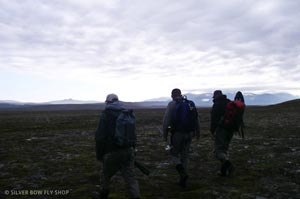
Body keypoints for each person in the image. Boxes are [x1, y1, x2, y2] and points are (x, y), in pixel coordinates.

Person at [95, 94, 140, 199]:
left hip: (112, 151)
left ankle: (103, 194)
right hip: (128, 149)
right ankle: (136, 196)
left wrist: (99, 154)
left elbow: (100, 137)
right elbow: (133, 133)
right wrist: (133, 148)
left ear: (108, 102)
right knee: (130, 177)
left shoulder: (106, 114)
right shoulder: (126, 113)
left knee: (105, 175)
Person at [162, 88, 200, 188]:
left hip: (178, 133)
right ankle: (183, 180)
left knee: (173, 154)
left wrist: (165, 135)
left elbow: (166, 121)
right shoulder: (189, 103)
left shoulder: (172, 104)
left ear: (172, 95)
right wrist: (197, 132)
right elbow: (196, 118)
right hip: (189, 133)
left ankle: (181, 172)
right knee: (185, 156)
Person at [210, 90, 234, 176]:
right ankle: (223, 171)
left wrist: (212, 131)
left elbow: (214, 120)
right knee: (224, 149)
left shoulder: (217, 104)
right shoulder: (229, 103)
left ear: (215, 96)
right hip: (230, 129)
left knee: (218, 151)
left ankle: (229, 165)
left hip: (221, 130)